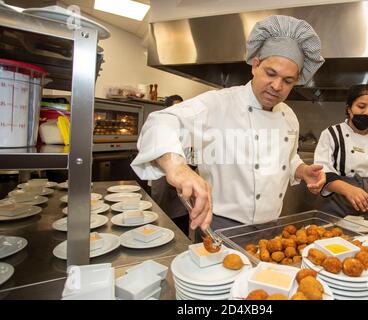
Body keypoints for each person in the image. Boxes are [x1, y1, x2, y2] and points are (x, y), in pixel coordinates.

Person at [131, 15, 326, 232]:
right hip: (218, 224)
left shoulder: (289, 116)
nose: (277, 86)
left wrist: (301, 170)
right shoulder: (219, 102)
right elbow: (161, 121)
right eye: (271, 73)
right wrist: (177, 166)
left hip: (271, 226)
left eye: (288, 81)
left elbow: (287, 158)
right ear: (255, 65)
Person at [314, 84, 368, 217]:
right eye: (361, 107)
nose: (367, 112)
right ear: (349, 109)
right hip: (338, 207)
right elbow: (323, 171)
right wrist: (348, 189)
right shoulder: (332, 133)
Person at [151, 95, 192, 236]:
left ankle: (181, 240)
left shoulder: (186, 129)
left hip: (181, 179)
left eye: (181, 107)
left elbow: (190, 155)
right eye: (175, 107)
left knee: (181, 213)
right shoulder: (159, 126)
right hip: (162, 178)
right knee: (161, 214)